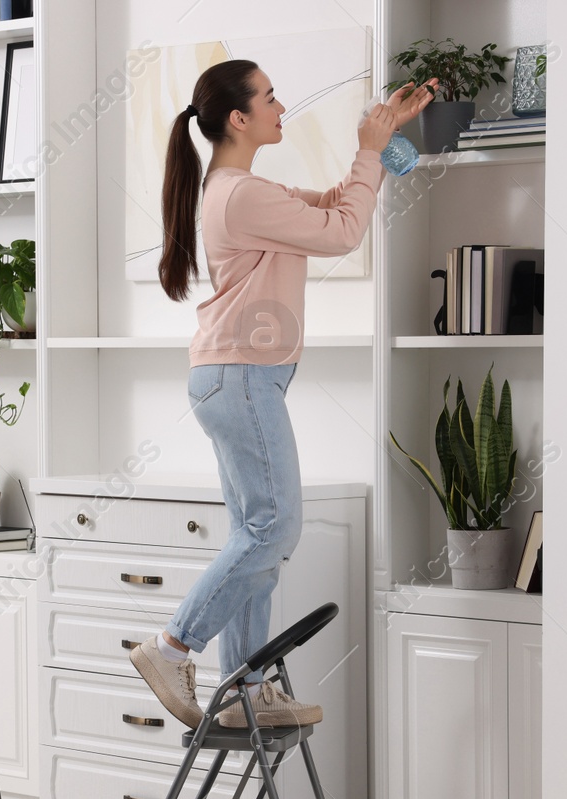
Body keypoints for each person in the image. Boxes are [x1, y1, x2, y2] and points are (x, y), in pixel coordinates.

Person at [129, 60, 435, 729]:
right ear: (238, 118)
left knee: (255, 538)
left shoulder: (242, 189)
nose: (280, 105)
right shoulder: (240, 194)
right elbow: (343, 232)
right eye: (268, 97)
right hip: (241, 377)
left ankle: (246, 688)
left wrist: (382, 142)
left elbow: (329, 204)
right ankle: (172, 644)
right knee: (276, 528)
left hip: (237, 377)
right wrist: (367, 152)